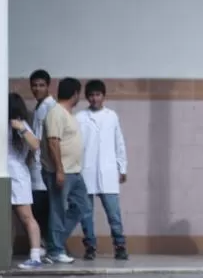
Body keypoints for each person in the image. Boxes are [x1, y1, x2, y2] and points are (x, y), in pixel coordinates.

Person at [76, 80, 129, 261]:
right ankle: (90, 246)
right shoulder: (80, 117)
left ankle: (120, 245)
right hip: (86, 170)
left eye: (98, 95)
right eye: (91, 95)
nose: (94, 98)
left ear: (104, 96)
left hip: (108, 171)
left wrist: (122, 167)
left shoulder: (111, 116)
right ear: (87, 97)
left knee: (114, 213)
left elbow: (119, 142)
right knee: (86, 213)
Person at [40, 77, 88, 264]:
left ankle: (54, 244)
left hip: (74, 171)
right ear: (75, 94)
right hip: (61, 172)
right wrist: (59, 170)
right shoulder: (56, 113)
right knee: (58, 210)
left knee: (82, 206)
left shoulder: (69, 114)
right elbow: (53, 142)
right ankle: (55, 250)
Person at [8, 93, 45, 269]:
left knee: (26, 217)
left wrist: (20, 128)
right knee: (8, 220)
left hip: (18, 176)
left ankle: (36, 256)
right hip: (5, 176)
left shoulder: (21, 125)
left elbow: (36, 144)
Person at [28, 69, 55, 249]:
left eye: (41, 85)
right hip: (37, 168)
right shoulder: (38, 108)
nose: (37, 89)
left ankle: (50, 246)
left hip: (45, 167)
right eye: (34, 85)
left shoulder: (49, 108)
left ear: (48, 86)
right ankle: (48, 245)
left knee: (44, 210)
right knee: (40, 210)